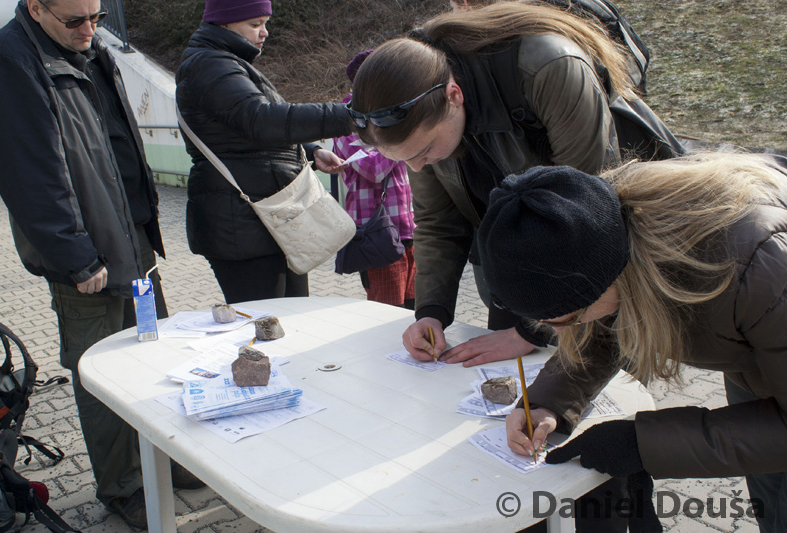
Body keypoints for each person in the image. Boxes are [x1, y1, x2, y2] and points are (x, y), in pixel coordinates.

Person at [346, 2, 683, 368]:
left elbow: (591, 217)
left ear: (454, 95)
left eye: (426, 150)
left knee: (589, 387)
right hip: (520, 268)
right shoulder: (418, 119)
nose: (417, 166)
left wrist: (530, 332)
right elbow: (438, 224)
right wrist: (431, 313)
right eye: (404, 160)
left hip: (606, 268)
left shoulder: (548, 68)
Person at [476, 154, 787, 532]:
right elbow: (603, 322)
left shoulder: (760, 273)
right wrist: (547, 403)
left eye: (566, 318)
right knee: (771, 490)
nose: (558, 334)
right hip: (758, 358)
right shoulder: (605, 230)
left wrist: (646, 444)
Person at [0, 0, 201, 528]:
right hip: (89, 257)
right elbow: (29, 171)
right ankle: (124, 485)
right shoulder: (12, 60)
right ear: (36, 8)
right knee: (102, 375)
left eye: (97, 17)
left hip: (132, 239)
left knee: (152, 356)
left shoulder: (89, 45)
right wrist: (75, 256)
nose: (90, 29)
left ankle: (165, 458)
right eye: (75, 20)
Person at [175, 0, 353, 305]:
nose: (265, 32)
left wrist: (310, 151)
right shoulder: (210, 64)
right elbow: (259, 119)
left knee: (289, 319)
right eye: (255, 24)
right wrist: (348, 116)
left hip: (262, 219)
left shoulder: (225, 62)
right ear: (225, 22)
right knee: (266, 327)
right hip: (241, 227)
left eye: (265, 23)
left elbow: (243, 133)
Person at [334, 50, 417, 308]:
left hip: (408, 228)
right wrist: (403, 138)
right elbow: (373, 170)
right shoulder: (346, 123)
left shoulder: (395, 120)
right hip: (374, 233)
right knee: (386, 310)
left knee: (414, 307)